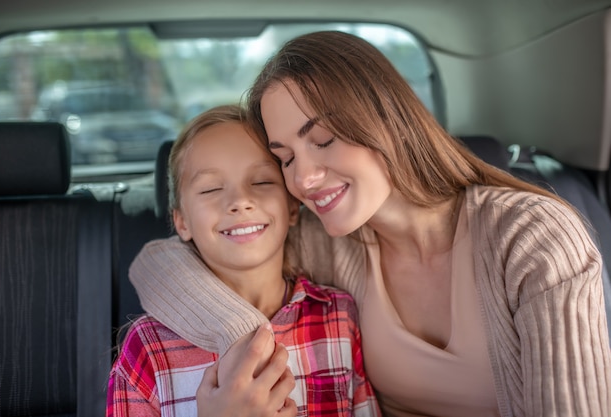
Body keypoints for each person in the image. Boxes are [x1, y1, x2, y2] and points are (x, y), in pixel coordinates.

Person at [129, 31, 611, 417]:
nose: (304, 178)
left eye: (322, 138)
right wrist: (242, 340)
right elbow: (161, 262)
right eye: (286, 158)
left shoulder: (531, 237)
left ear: (388, 117)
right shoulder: (326, 242)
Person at [107, 104, 381, 417]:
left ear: (293, 207)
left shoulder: (338, 315)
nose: (239, 202)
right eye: (211, 188)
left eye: (262, 182)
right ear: (181, 222)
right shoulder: (148, 346)